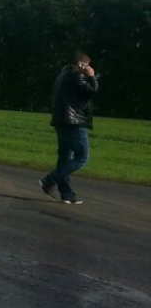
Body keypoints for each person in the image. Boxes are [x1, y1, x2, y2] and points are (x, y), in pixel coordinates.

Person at [39, 52, 98, 205]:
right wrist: (91, 76)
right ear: (80, 64)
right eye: (86, 65)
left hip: (61, 121)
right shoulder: (76, 76)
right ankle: (49, 180)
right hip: (74, 122)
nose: (88, 68)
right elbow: (92, 92)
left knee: (64, 158)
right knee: (82, 157)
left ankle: (66, 194)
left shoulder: (63, 75)